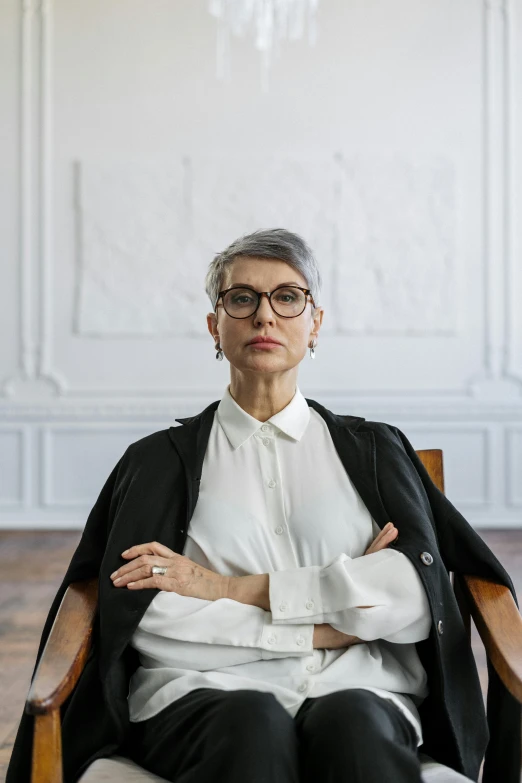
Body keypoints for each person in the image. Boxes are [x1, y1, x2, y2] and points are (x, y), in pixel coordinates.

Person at [6, 229, 520, 783]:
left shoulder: (374, 453)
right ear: (215, 325)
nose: (265, 316)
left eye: (287, 297)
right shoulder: (156, 463)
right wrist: (337, 619)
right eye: (242, 298)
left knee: (355, 727)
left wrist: (217, 587)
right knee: (251, 722)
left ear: (314, 323)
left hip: (361, 687)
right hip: (199, 692)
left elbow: (410, 599)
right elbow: (148, 613)